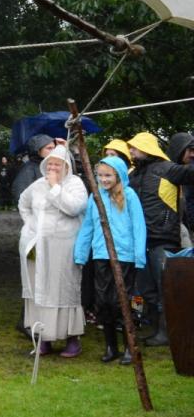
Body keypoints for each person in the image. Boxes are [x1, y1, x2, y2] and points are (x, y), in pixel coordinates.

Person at [72, 156, 146, 364]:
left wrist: (139, 256)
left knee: (122, 301)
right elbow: (87, 226)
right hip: (101, 255)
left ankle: (130, 347)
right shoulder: (95, 197)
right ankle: (111, 346)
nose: (103, 179)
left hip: (125, 256)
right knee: (103, 302)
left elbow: (139, 226)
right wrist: (81, 252)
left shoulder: (130, 196)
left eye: (108, 175)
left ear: (118, 175)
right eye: (100, 175)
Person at [18, 145, 87, 357]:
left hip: (63, 247)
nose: (53, 167)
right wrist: (30, 225)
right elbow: (23, 202)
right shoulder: (37, 185)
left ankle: (71, 339)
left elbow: (75, 207)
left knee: (62, 289)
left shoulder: (75, 184)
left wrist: (56, 187)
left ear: (67, 166)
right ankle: (43, 338)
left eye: (58, 164)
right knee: (39, 289)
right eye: (50, 164)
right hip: (37, 246)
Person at [126, 131, 194, 347]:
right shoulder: (133, 174)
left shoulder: (168, 169)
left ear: (145, 148)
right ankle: (147, 326)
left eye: (134, 147)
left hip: (163, 239)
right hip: (139, 241)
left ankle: (167, 332)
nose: (131, 151)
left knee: (166, 287)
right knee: (142, 289)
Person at [11, 134, 60, 204]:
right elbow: (21, 196)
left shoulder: (53, 166)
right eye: (49, 148)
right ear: (38, 150)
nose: (53, 151)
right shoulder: (28, 169)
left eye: (54, 148)